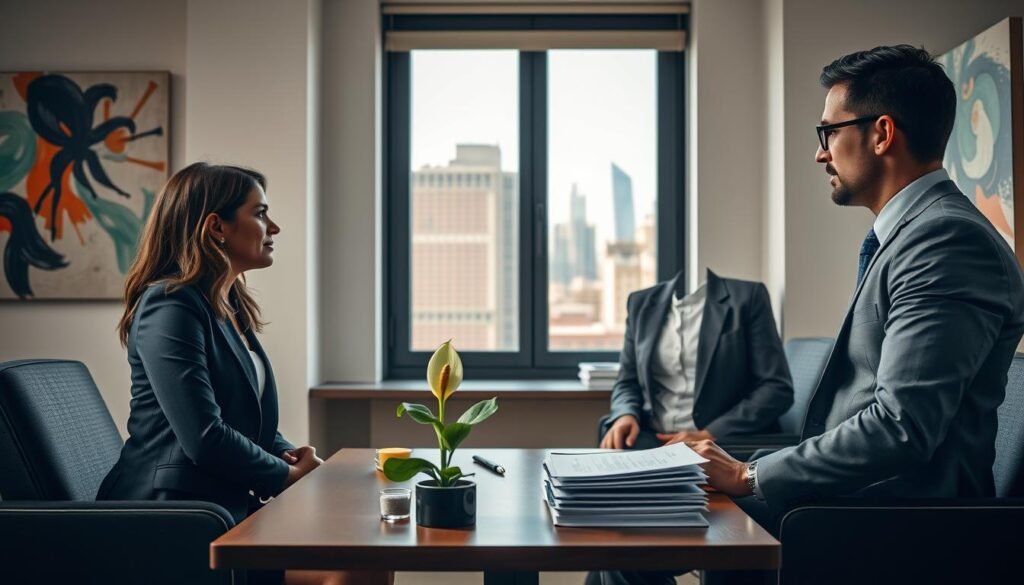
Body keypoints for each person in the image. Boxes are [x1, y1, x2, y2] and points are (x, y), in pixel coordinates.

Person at [590, 44, 1024, 585]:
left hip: (892, 521)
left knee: (628, 545)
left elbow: (901, 427)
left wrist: (747, 473)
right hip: (848, 500)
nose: (821, 154)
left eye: (828, 133)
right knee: (620, 533)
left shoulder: (946, 241)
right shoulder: (911, 237)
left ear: (882, 134)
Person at [97, 163, 388, 585]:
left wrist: (295, 459)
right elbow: (205, 436)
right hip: (173, 517)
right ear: (217, 227)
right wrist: (286, 477)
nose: (275, 227)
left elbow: (242, 419)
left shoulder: (226, 303)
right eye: (260, 214)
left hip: (223, 503)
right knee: (353, 569)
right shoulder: (170, 305)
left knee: (368, 552)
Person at [599, 269, 793, 451]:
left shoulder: (747, 298)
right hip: (654, 438)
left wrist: (710, 433)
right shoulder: (640, 303)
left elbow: (776, 388)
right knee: (612, 444)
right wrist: (625, 414)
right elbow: (627, 381)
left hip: (721, 442)